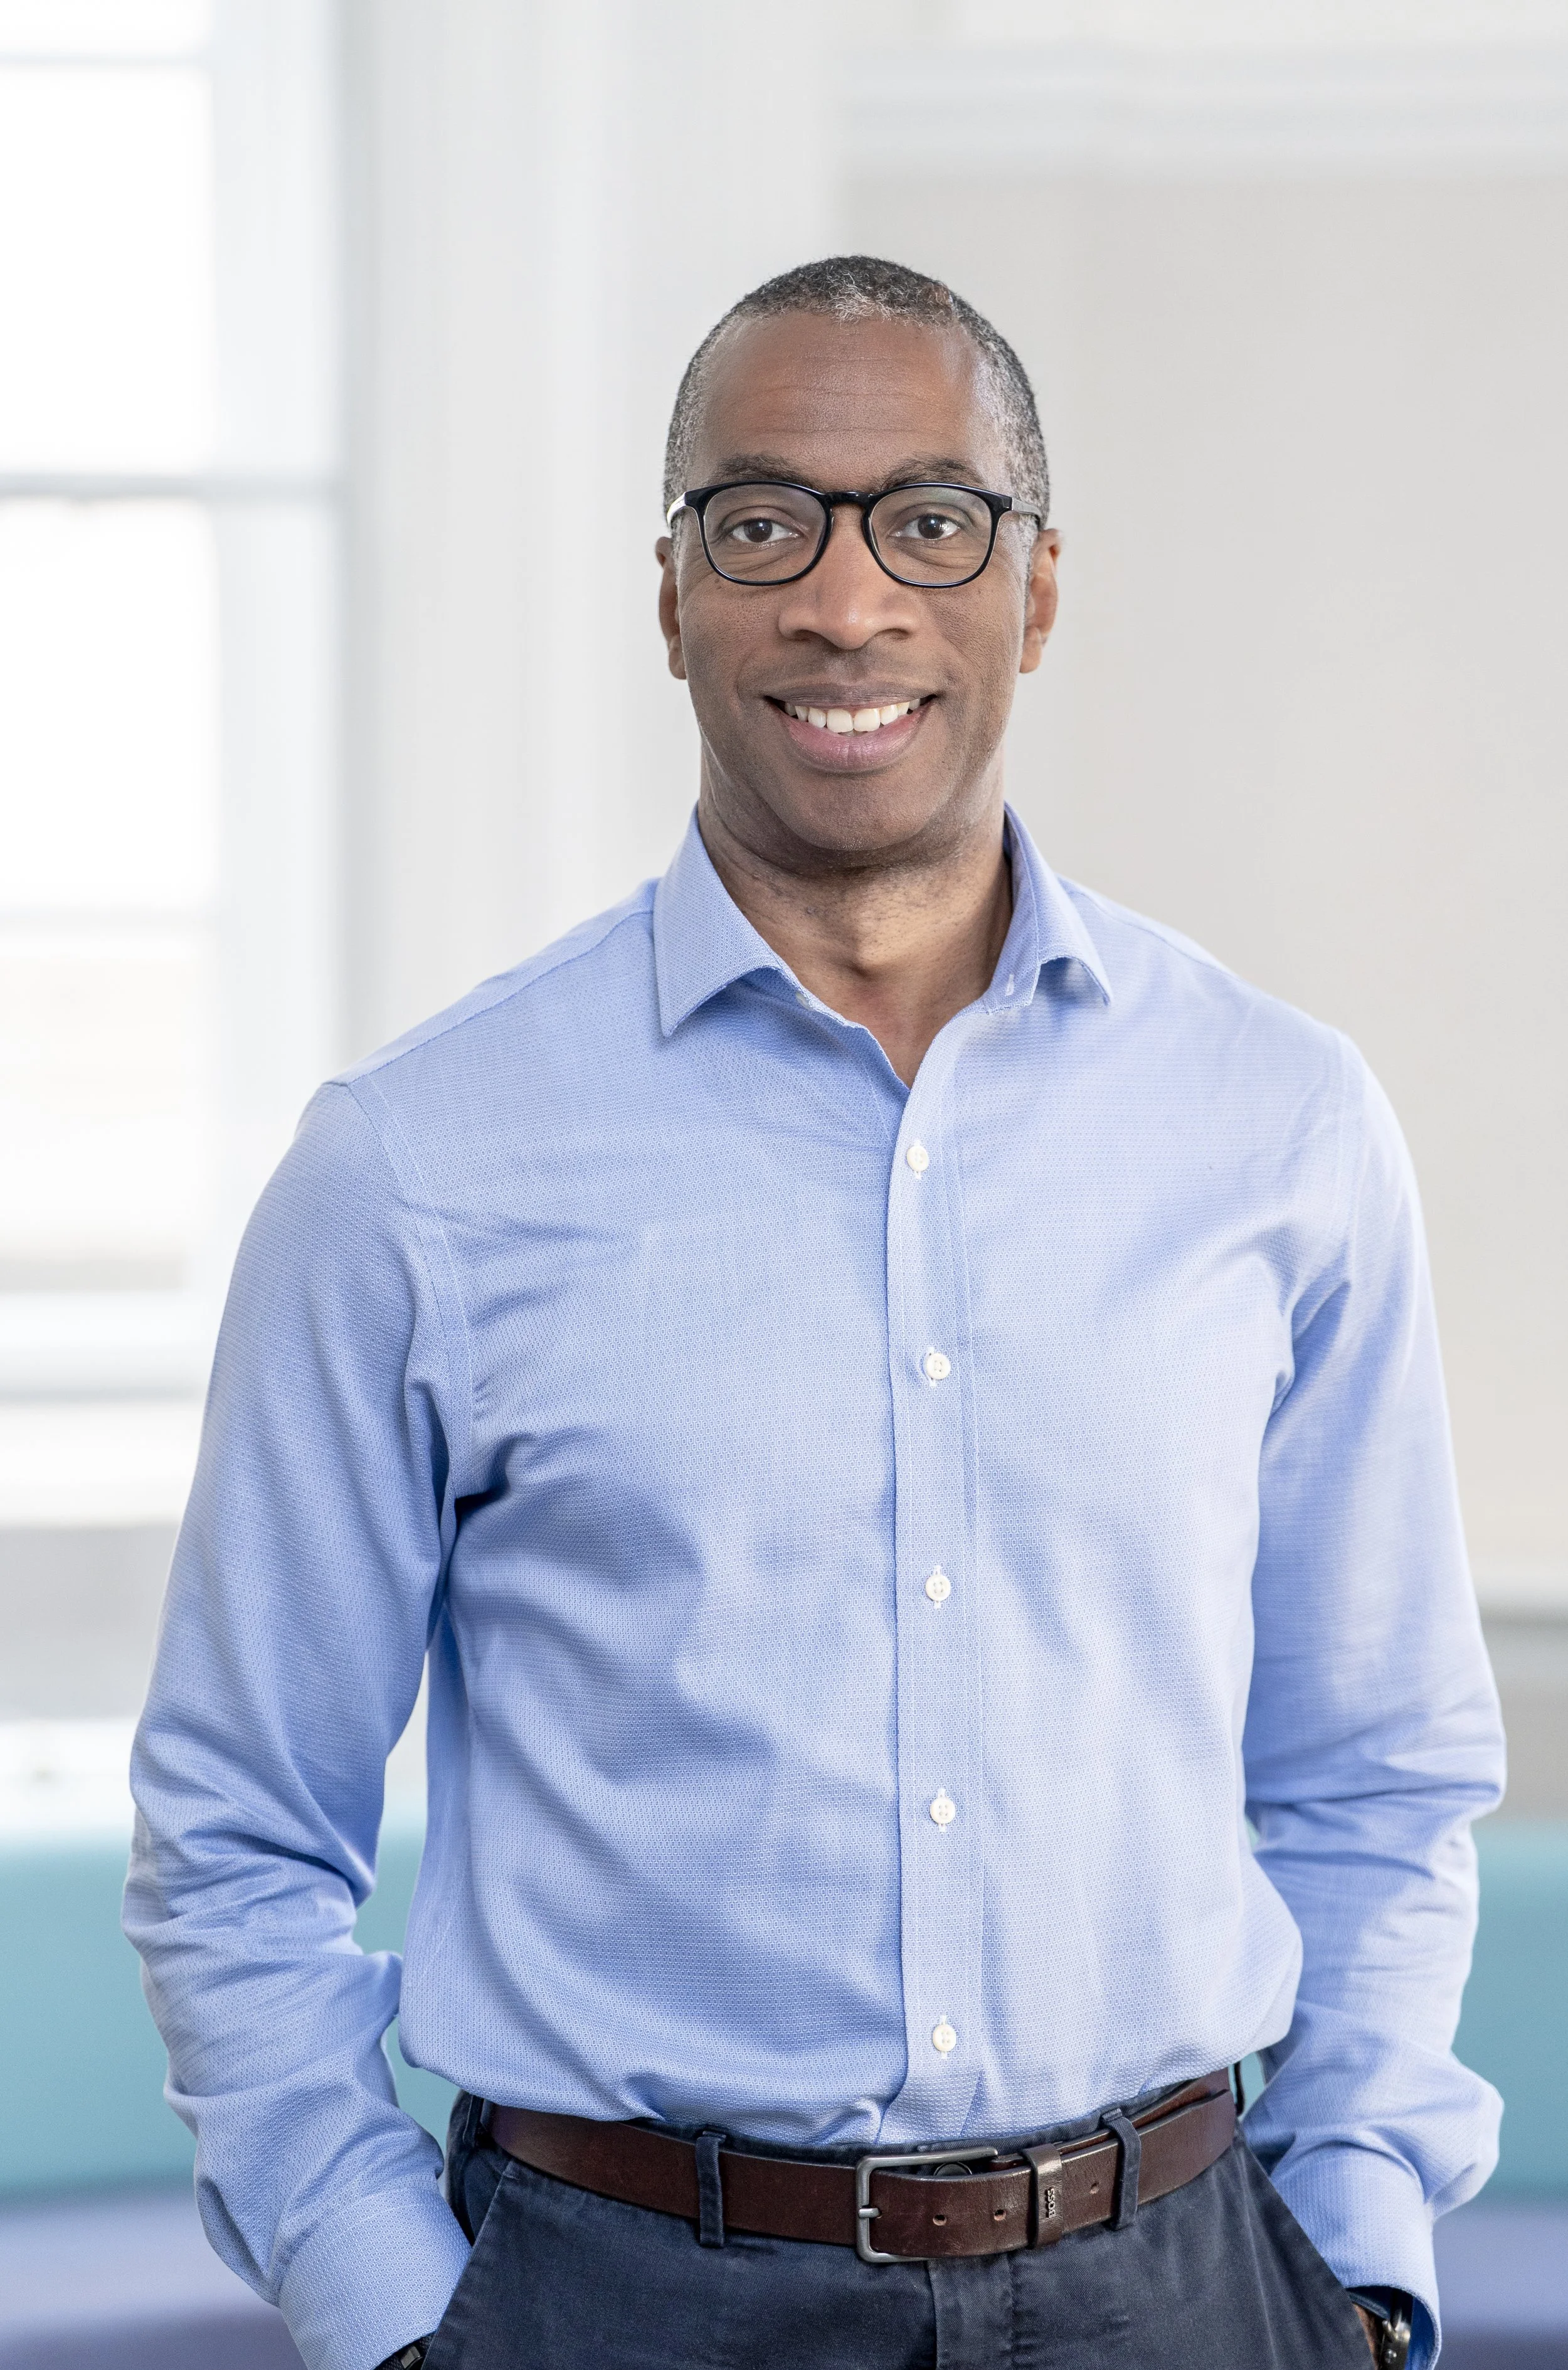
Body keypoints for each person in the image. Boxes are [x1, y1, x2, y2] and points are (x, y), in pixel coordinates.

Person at [125, 256, 1505, 2370]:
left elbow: (1377, 1765)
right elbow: (236, 1825)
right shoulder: (412, 1167)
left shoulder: (1280, 1126)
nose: (846, 605)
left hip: (1190, 2290)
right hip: (617, 2302)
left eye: (930, 521)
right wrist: (397, 2314)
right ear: (668, 597)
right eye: (761, 521)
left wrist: (1359, 2255)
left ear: (1035, 594)